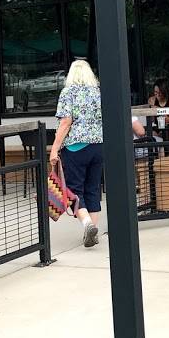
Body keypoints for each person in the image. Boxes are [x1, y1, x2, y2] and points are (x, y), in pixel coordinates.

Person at [50, 60, 104, 248]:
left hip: (75, 148)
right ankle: (92, 232)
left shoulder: (68, 92)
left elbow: (65, 122)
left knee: (72, 190)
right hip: (98, 146)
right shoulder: (98, 92)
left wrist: (55, 148)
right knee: (93, 189)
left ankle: (88, 224)